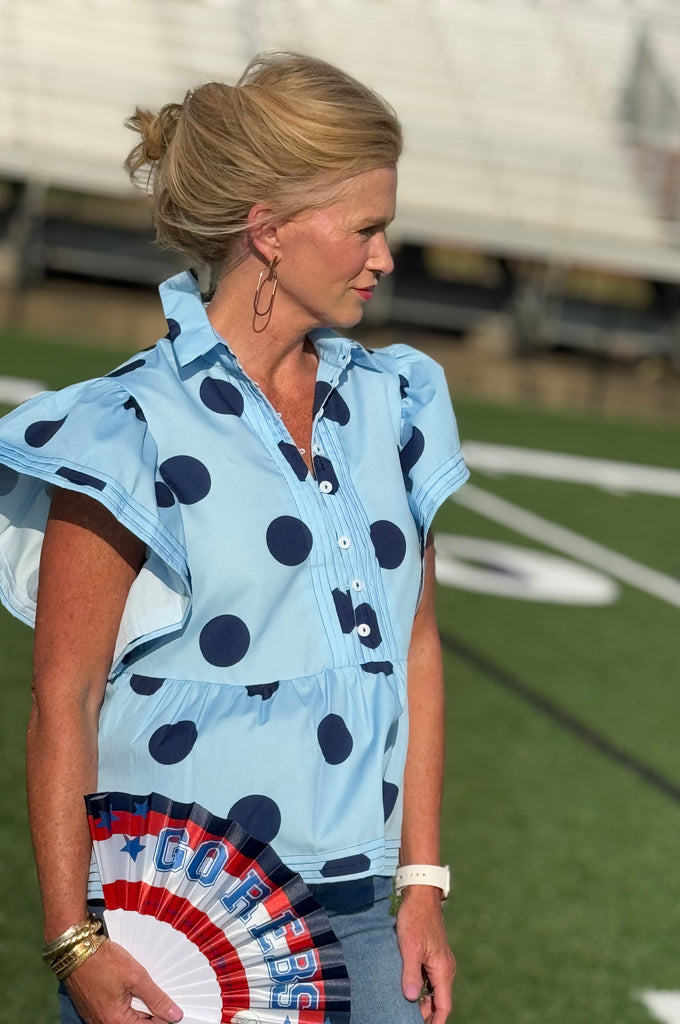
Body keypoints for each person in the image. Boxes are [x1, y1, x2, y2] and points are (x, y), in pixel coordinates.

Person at [0, 52, 467, 1024]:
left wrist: (421, 884)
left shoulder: (399, 407)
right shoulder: (123, 430)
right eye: (366, 229)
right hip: (173, 929)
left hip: (362, 917)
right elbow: (62, 700)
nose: (385, 257)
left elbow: (416, 648)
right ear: (269, 230)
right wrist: (74, 938)